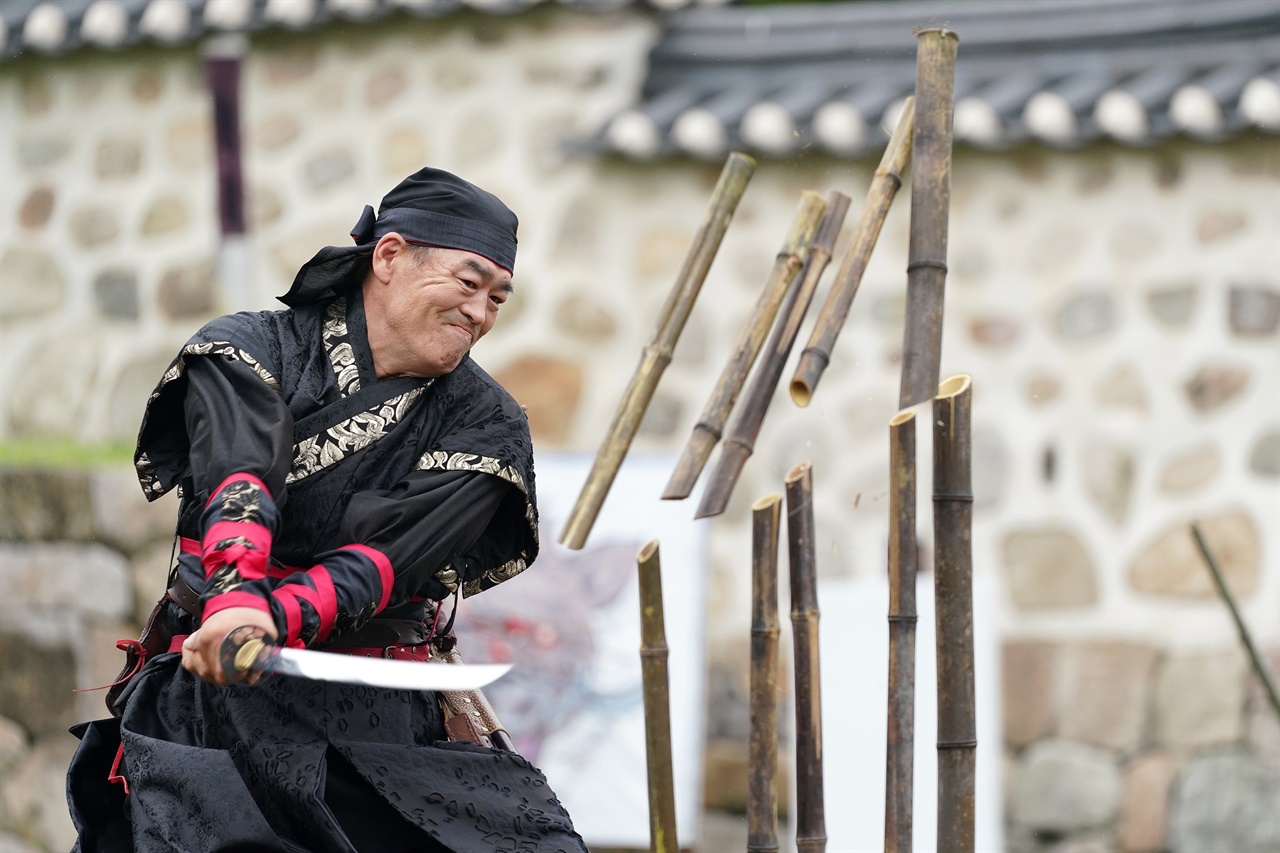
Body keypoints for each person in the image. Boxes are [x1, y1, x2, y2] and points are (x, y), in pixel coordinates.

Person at [66, 167, 588, 853]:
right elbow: (240, 478)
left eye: (498, 297)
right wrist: (234, 601)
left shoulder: (486, 421)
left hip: (383, 729)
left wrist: (271, 617)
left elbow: (390, 559)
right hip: (214, 695)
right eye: (468, 283)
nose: (482, 312)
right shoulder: (250, 349)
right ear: (390, 256)